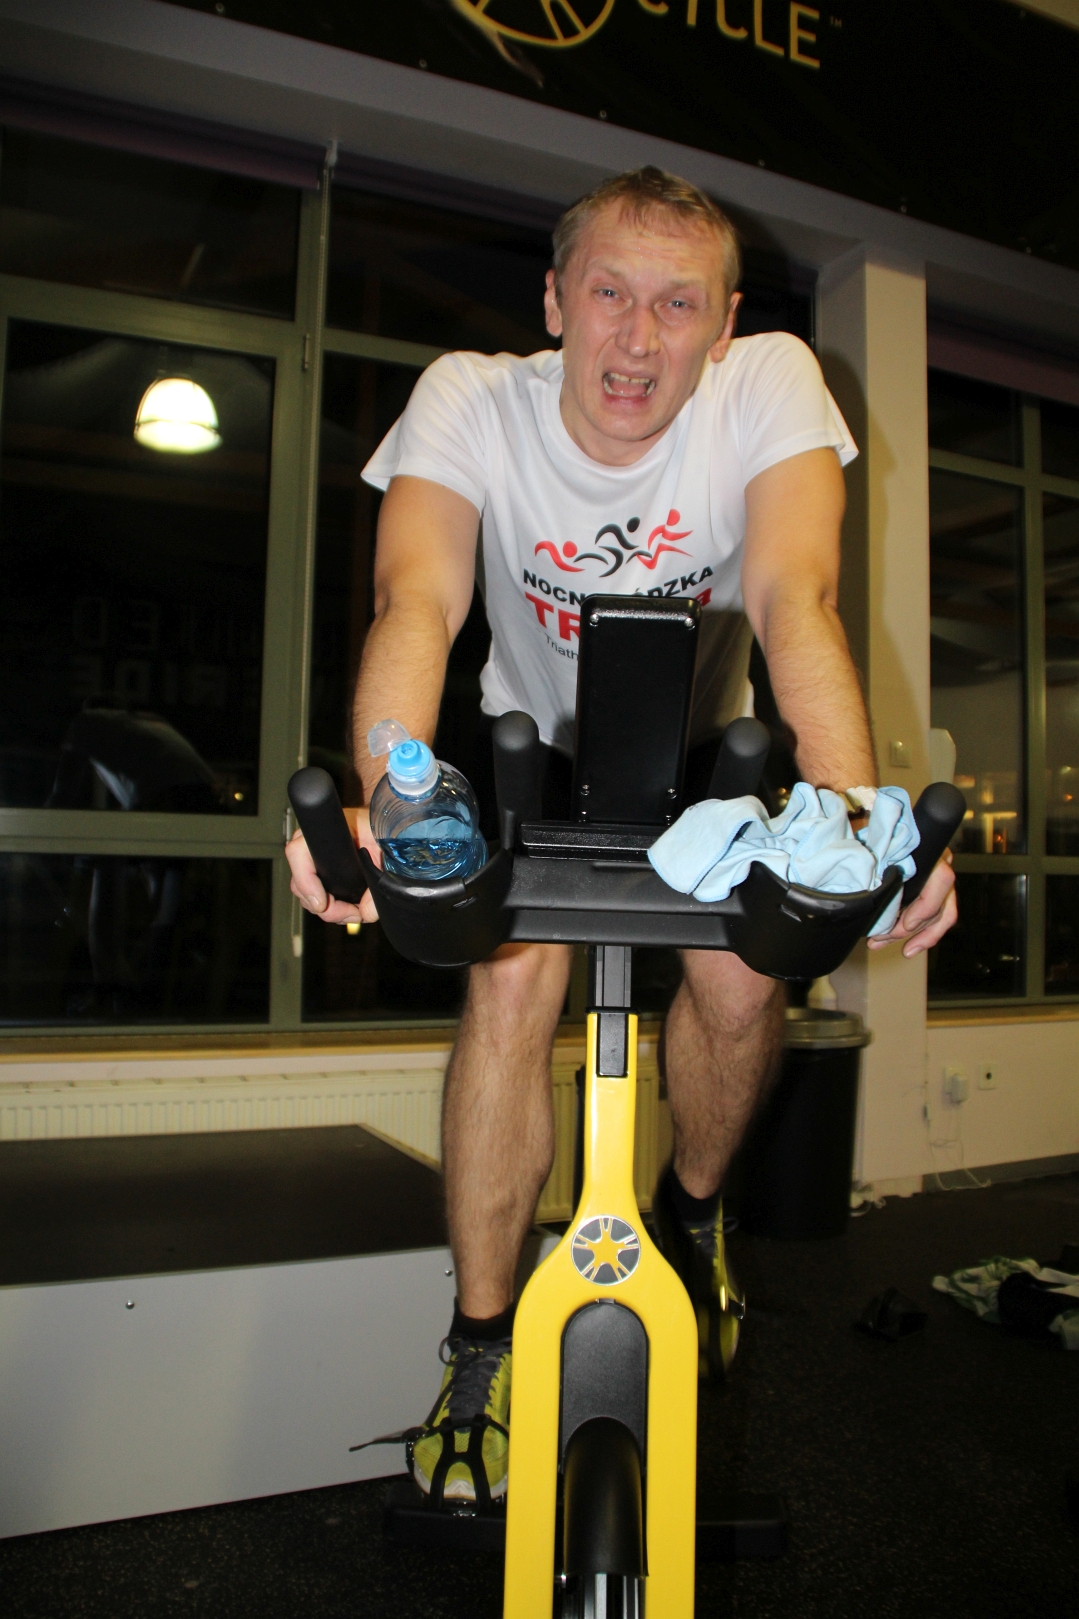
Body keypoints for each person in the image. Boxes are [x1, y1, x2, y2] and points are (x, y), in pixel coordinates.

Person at [287, 167, 957, 1507]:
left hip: (706, 755)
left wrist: (851, 820)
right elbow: (416, 599)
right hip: (529, 750)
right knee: (511, 981)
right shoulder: (472, 397)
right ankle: (481, 1348)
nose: (639, 339)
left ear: (723, 325)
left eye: (678, 304)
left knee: (743, 974)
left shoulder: (768, 384)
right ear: (554, 301)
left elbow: (796, 596)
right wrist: (383, 798)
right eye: (608, 293)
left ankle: (693, 1217)